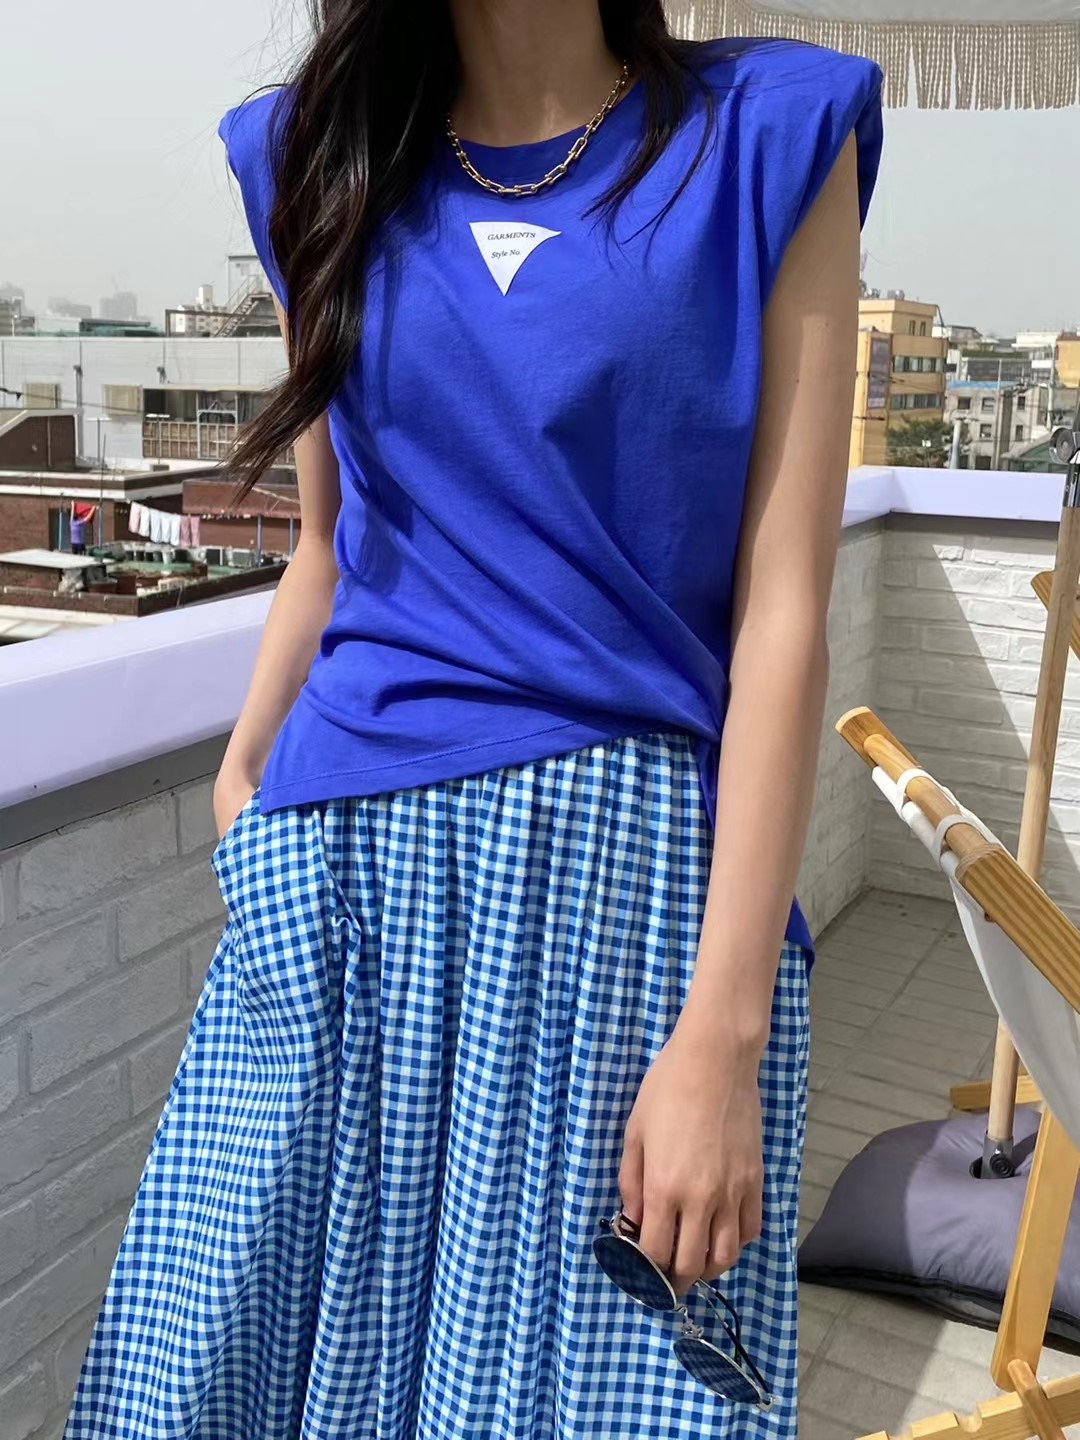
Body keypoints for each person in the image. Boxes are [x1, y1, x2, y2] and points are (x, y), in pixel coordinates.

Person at [64, 4, 883, 1437]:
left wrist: (722, 1036)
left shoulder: (770, 134)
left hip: (618, 899)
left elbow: (783, 616)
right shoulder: (312, 154)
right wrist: (245, 777)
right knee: (214, 1377)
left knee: (571, 1398)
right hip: (339, 881)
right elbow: (331, 544)